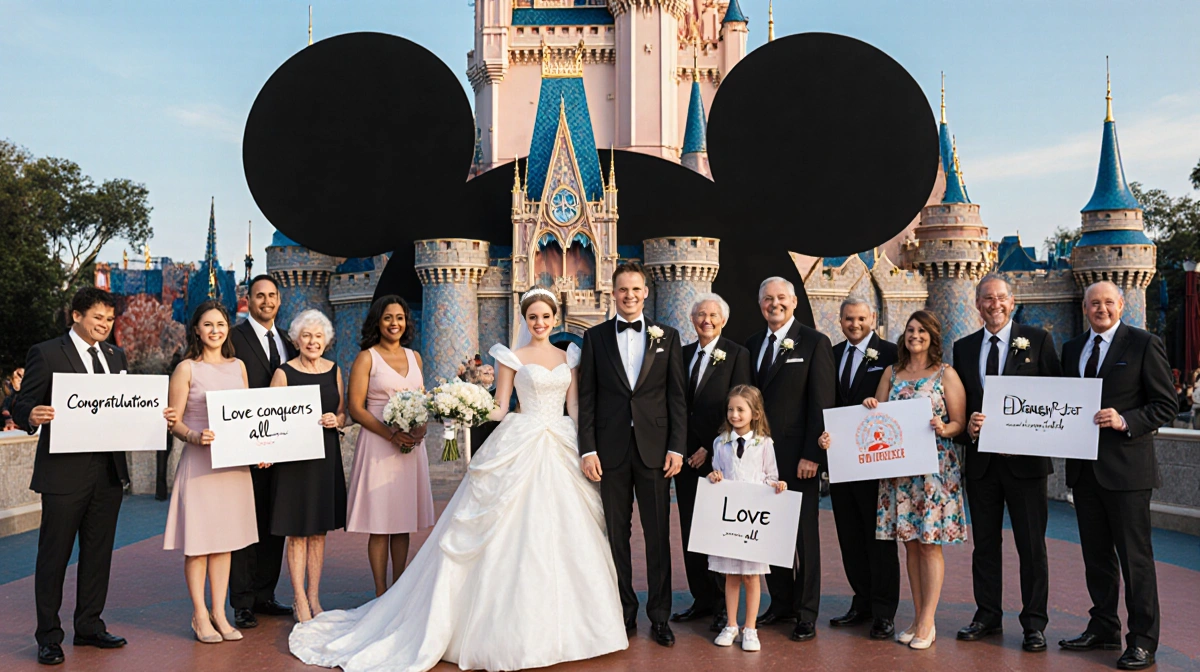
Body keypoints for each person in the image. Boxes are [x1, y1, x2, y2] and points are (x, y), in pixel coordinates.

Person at [290, 287, 628, 670]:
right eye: (533, 316)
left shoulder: (570, 356)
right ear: (525, 318)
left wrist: (587, 447)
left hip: (560, 442)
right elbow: (500, 408)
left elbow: (575, 405)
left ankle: (576, 629)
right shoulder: (511, 356)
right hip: (521, 438)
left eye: (545, 317)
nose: (539, 323)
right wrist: (466, 403)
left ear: (554, 318)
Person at [13, 287, 175, 666]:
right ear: (76, 315)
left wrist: (156, 416)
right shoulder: (47, 353)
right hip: (62, 474)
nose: (105, 324)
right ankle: (49, 637)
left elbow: (124, 408)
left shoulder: (116, 356)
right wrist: (30, 415)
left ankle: (89, 626)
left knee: (98, 555)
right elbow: (22, 404)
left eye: (109, 319)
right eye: (98, 317)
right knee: (53, 557)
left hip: (108, 474)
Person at [1058, 281, 1175, 671]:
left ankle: (1142, 641)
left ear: (1121, 305)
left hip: (1127, 472)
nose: (1101, 309)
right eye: (1094, 303)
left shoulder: (1144, 344)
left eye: (1108, 302)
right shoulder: (1072, 348)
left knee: (1135, 560)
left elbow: (1165, 404)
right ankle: (1103, 626)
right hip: (1084, 471)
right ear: (1084, 307)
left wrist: (1124, 420)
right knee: (1096, 559)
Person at [578, 262, 687, 647]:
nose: (629, 296)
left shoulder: (667, 337)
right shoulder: (595, 338)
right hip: (609, 453)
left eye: (636, 289)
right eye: (623, 289)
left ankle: (660, 616)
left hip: (655, 451)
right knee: (616, 536)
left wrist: (676, 447)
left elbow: (677, 398)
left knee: (657, 535)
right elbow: (587, 399)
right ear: (613, 293)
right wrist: (588, 449)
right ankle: (623, 611)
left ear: (645, 292)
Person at [952, 274, 1062, 653]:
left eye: (1001, 297)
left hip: (1026, 466)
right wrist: (967, 426)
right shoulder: (964, 348)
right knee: (984, 545)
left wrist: (1031, 436)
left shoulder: (1038, 340)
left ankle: (1034, 623)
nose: (994, 304)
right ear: (977, 304)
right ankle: (987, 615)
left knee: (1031, 547)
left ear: (1012, 302)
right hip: (982, 464)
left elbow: (1055, 399)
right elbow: (960, 407)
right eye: (987, 298)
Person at [163, 300, 261, 643]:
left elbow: (249, 417)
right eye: (208, 324)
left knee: (225, 542)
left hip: (233, 466)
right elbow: (174, 421)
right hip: (200, 464)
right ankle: (200, 614)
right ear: (196, 330)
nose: (215, 330)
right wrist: (193, 436)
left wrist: (260, 450)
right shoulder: (186, 369)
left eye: (220, 324)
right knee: (199, 543)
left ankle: (220, 612)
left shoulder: (238, 367)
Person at [744, 276, 835, 642]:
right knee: (768, 532)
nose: (775, 304)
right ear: (760, 305)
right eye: (768, 299)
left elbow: (822, 402)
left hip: (799, 459)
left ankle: (806, 612)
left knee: (804, 538)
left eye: (781, 297)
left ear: (794, 302)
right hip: (760, 460)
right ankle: (781, 602)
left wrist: (812, 454)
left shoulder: (814, 342)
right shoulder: (752, 344)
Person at [671, 293, 752, 633]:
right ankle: (701, 598)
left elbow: (740, 405)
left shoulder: (737, 354)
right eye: (700, 314)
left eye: (713, 315)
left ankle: (722, 604)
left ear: (723, 320)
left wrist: (709, 446)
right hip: (684, 458)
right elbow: (676, 403)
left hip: (718, 457)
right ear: (692, 320)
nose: (706, 320)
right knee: (691, 530)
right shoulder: (682, 354)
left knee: (718, 531)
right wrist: (680, 448)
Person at [344, 295, 434, 596]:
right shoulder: (367, 358)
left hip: (410, 447)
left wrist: (419, 429)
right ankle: (381, 592)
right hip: (379, 446)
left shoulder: (415, 357)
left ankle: (399, 589)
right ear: (377, 322)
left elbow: (422, 399)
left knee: (402, 520)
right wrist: (390, 434)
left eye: (399, 317)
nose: (394, 323)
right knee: (381, 522)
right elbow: (356, 408)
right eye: (387, 318)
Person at [826, 297, 900, 640]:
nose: (854, 324)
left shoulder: (891, 354)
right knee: (850, 536)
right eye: (848, 319)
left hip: (876, 461)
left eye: (860, 318)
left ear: (873, 317)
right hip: (842, 461)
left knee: (879, 539)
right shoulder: (832, 354)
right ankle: (862, 601)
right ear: (840, 320)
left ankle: (884, 612)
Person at [227, 274, 297, 628]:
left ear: (279, 300)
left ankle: (265, 594)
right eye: (259, 296)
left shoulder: (289, 341)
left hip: (282, 447)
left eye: (272, 296)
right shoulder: (233, 338)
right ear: (249, 299)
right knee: (245, 523)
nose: (266, 301)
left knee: (275, 522)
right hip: (246, 447)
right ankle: (242, 601)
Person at [268, 309, 347, 623]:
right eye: (306, 336)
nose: (312, 341)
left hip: (325, 457)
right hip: (293, 462)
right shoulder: (283, 373)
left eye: (318, 336)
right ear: (296, 340)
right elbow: (270, 418)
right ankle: (299, 598)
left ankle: (314, 596)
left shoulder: (334, 370)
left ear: (326, 340)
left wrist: (335, 420)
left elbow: (343, 413)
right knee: (297, 532)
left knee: (318, 531)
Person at [707, 385, 788, 653]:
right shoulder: (720, 443)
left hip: (753, 522)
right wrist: (714, 477)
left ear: (755, 413)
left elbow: (771, 475)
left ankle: (750, 627)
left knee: (752, 576)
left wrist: (777, 485)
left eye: (740, 409)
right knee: (731, 575)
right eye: (731, 409)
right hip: (731, 521)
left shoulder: (764, 444)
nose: (734, 414)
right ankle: (731, 624)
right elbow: (717, 472)